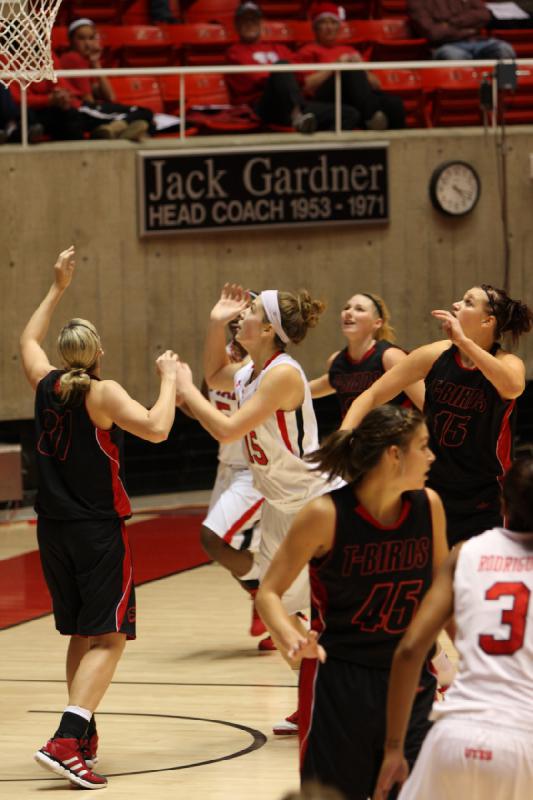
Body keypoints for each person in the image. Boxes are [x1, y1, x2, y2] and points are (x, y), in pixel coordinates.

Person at [20, 247, 178, 789]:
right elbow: (158, 428)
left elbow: (26, 343)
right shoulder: (103, 393)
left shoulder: (46, 385)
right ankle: (68, 736)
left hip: (51, 532)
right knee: (110, 637)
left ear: (65, 354)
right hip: (96, 532)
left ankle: (80, 733)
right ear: (99, 353)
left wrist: (56, 286)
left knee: (82, 634)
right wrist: (170, 378)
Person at [256, 405, 449, 800]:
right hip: (339, 681)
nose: (432, 457)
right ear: (394, 454)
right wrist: (290, 636)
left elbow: (445, 594)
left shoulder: (429, 506)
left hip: (411, 680)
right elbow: (269, 592)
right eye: (423, 447)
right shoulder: (324, 514)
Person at [174, 284, 333, 734]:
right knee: (276, 607)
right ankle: (314, 695)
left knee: (326, 604)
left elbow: (226, 429)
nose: (240, 315)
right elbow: (214, 374)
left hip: (311, 501)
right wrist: (213, 321)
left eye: (249, 312)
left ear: (267, 330)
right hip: (282, 505)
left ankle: (432, 671)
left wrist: (186, 388)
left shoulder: (283, 373)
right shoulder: (249, 372)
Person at [374, 457, 533, 800]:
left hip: (453, 733)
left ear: (502, 503)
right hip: (523, 739)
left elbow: (410, 650)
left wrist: (393, 748)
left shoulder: (466, 553)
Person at [342, 285, 533, 547]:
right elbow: (373, 394)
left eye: (467, 302)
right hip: (431, 484)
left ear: (488, 321)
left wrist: (464, 342)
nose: (456, 304)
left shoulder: (507, 362)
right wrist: (344, 434)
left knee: (474, 580)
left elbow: (513, 387)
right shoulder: (436, 354)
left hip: (484, 494)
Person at [196, 309, 266, 643]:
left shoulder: (262, 365)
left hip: (255, 469)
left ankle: (266, 598)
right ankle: (274, 609)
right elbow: (199, 401)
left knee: (215, 540)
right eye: (233, 317)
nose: (238, 321)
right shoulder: (219, 361)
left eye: (246, 314)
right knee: (233, 550)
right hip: (227, 466)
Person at [309, 292, 424, 419]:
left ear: (377, 323)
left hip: (396, 436)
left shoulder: (390, 356)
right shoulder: (336, 361)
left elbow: (427, 402)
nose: (349, 312)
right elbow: (313, 388)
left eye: (359, 309)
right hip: (358, 437)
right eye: (346, 308)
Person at [295, 2, 405, 131]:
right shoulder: (306, 51)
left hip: (354, 99)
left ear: (339, 27)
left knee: (394, 103)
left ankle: (402, 144)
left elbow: (376, 84)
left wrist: (361, 67)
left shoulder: (348, 50)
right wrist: (335, 66)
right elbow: (307, 87)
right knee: (348, 71)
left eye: (333, 23)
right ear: (315, 28)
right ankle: (370, 117)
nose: (329, 27)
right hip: (325, 100)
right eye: (323, 23)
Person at [225, 2, 319, 133]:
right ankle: (297, 116)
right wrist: (283, 77)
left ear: (261, 22)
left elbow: (301, 73)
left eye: (253, 19)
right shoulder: (234, 52)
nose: (249, 23)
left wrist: (286, 78)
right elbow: (256, 79)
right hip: (260, 107)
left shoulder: (279, 48)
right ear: (236, 25)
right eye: (244, 20)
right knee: (282, 67)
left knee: (348, 113)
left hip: (291, 100)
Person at [58, 19, 153, 141]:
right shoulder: (72, 59)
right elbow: (88, 99)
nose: (87, 43)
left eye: (91, 38)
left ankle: (112, 131)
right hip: (82, 111)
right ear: (71, 41)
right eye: (81, 38)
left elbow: (110, 96)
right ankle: (114, 130)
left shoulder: (86, 61)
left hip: (90, 110)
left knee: (145, 120)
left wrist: (96, 63)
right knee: (144, 114)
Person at [407, 0, 516, 61]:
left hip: (477, 41)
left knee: (505, 49)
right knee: (454, 56)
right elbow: (434, 33)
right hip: (446, 45)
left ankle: (507, 95)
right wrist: (468, 29)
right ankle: (470, 97)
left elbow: (484, 15)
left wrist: (450, 23)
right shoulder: (417, 2)